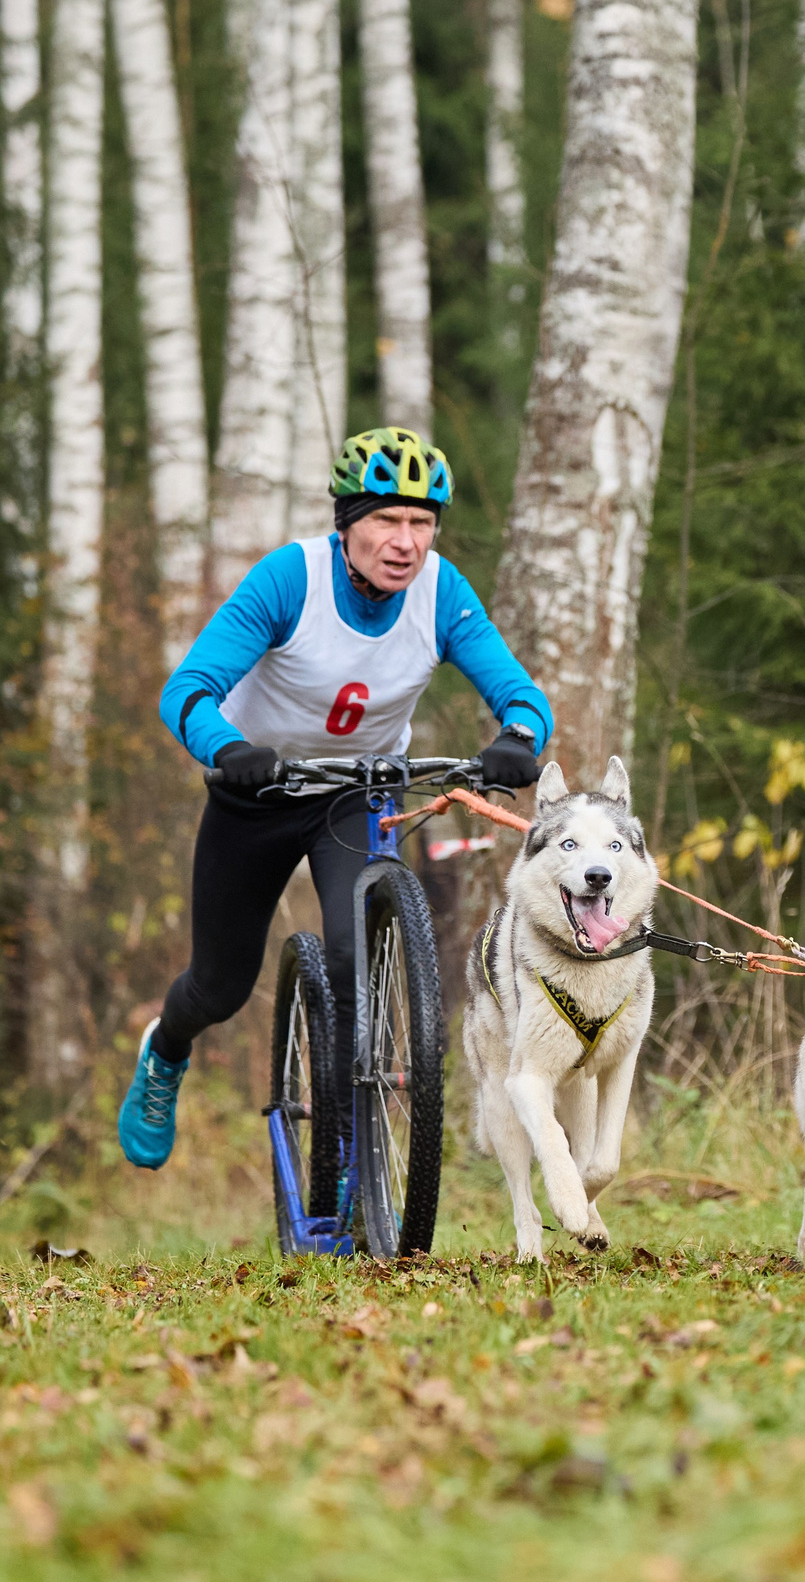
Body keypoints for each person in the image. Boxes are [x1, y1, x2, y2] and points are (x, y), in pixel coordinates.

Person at [116, 426, 551, 1170]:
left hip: (359, 792)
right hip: (256, 794)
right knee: (218, 986)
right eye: (386, 519)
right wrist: (230, 749)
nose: (405, 541)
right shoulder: (291, 579)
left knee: (356, 952)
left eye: (421, 523)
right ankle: (166, 1048)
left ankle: (350, 1152)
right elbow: (186, 691)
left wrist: (517, 735)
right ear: (347, 522)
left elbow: (520, 694)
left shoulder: (442, 591)